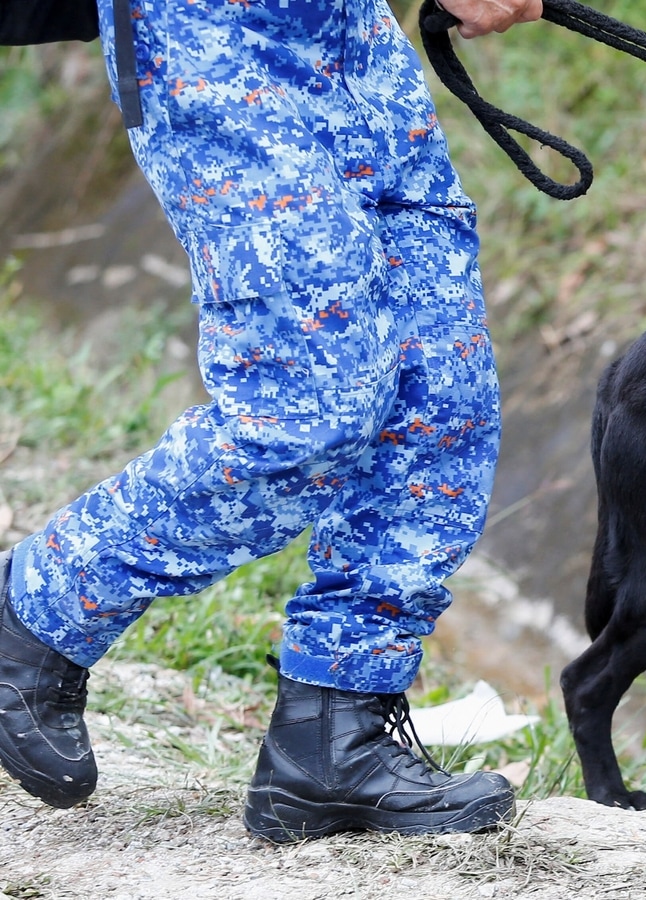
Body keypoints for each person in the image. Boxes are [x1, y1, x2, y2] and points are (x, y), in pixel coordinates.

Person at [0, 0, 543, 842]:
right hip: (204, 25)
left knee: (441, 393)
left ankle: (334, 734)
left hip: (345, 25)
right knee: (310, 407)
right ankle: (38, 610)